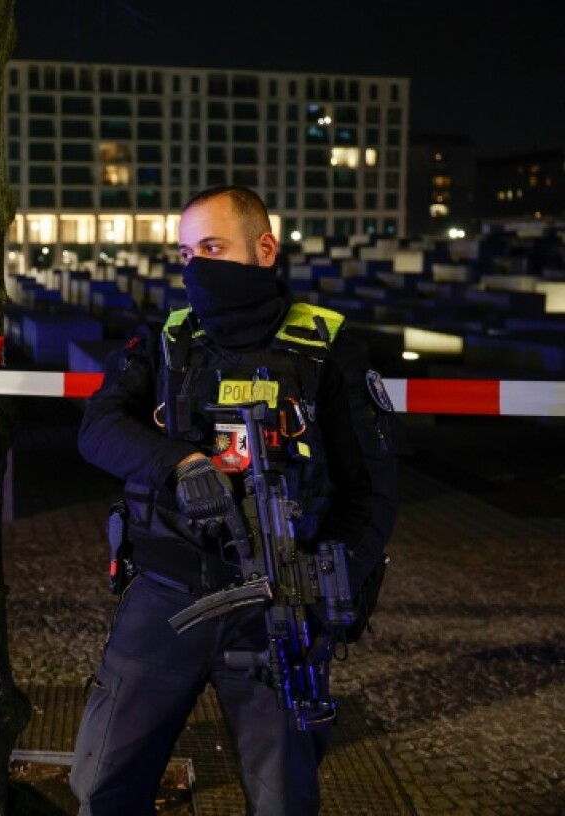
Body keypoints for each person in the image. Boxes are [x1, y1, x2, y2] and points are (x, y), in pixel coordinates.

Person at [70, 185, 400, 815]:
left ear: (264, 248)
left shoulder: (327, 351)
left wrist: (329, 583)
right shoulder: (167, 343)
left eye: (213, 247)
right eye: (187, 254)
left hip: (278, 608)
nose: (196, 267)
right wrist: (181, 462)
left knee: (284, 803)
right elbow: (98, 428)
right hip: (167, 599)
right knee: (102, 786)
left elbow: (373, 493)